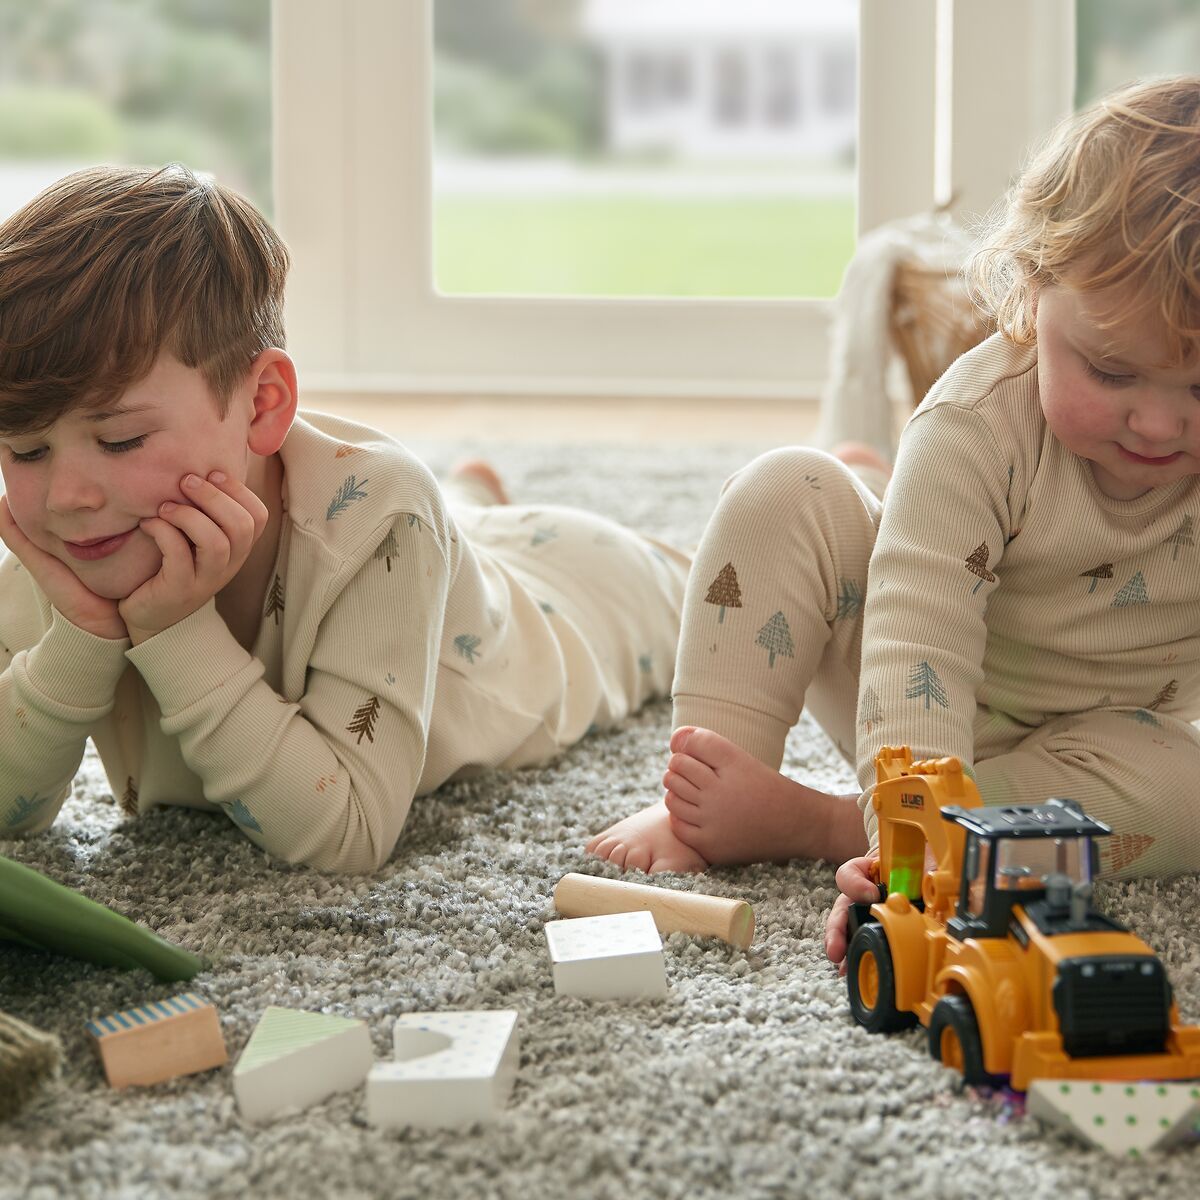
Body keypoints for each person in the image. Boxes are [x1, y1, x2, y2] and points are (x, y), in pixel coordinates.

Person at [587, 76, 1200, 964]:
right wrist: (912, 860)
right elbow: (918, 642)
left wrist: (890, 846)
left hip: (1087, 746)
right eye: (1111, 372)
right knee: (785, 490)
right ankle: (709, 792)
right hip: (903, 684)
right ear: (1031, 292)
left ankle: (821, 821)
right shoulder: (974, 426)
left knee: (1188, 788)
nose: (1159, 423)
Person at [0, 164, 688, 873]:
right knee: (444, 524)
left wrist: (175, 631)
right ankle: (469, 498)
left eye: (120, 440)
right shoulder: (69, 546)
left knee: (699, 600)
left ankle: (464, 507)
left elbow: (347, 835)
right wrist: (79, 640)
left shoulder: (384, 519)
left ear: (262, 405)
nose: (65, 497)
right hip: (412, 540)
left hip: (562, 603)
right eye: (25, 449)